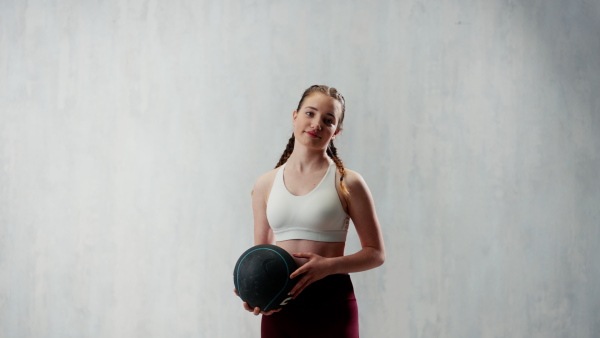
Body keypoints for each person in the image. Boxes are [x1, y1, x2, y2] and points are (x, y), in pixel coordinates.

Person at [235, 85, 385, 337]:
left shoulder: (348, 182)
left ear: (335, 131)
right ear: (295, 116)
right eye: (310, 113)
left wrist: (327, 266)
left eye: (328, 120)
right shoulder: (265, 183)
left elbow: (376, 253)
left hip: (333, 302)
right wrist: (253, 290)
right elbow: (259, 252)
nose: (316, 124)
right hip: (281, 305)